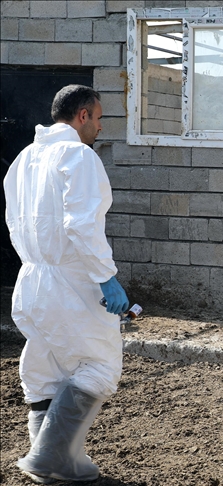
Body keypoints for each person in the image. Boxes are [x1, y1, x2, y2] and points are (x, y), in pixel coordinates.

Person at [4, 84, 129, 484]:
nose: (100, 126)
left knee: (47, 365)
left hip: (32, 279)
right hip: (70, 282)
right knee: (99, 364)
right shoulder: (78, 156)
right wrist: (105, 277)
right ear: (82, 116)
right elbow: (82, 225)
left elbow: (12, 220)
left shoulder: (24, 158)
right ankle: (51, 459)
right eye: (99, 117)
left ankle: (56, 460)